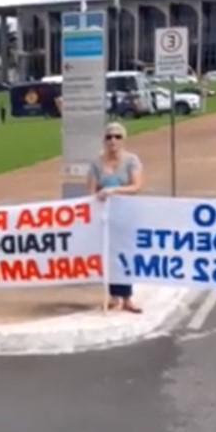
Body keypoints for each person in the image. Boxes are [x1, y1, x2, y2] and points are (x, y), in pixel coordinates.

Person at [88, 121, 144, 312]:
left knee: (125, 254)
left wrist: (114, 190)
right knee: (109, 254)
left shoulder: (131, 160)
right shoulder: (97, 163)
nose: (113, 140)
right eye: (109, 137)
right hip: (106, 216)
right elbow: (91, 190)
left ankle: (127, 296)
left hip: (126, 213)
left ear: (123, 140)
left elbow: (136, 186)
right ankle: (114, 295)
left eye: (117, 136)